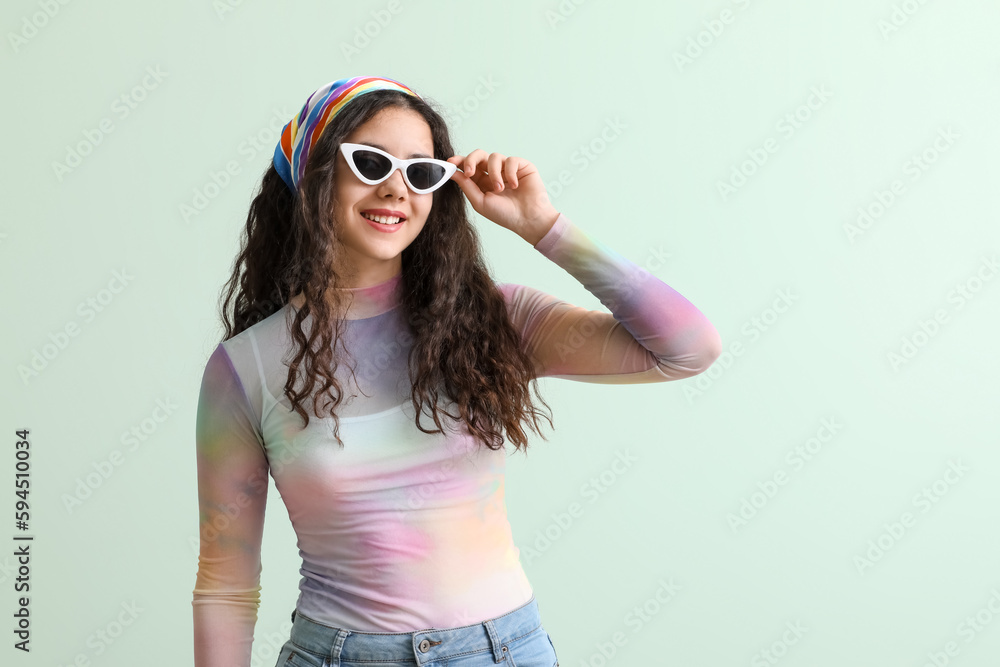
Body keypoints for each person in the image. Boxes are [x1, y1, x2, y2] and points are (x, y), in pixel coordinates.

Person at [191, 75, 722, 667]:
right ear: (314, 173)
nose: (397, 188)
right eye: (370, 163)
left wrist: (542, 225)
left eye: (421, 172)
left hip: (505, 652)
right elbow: (225, 584)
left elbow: (686, 348)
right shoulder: (245, 368)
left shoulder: (495, 319)